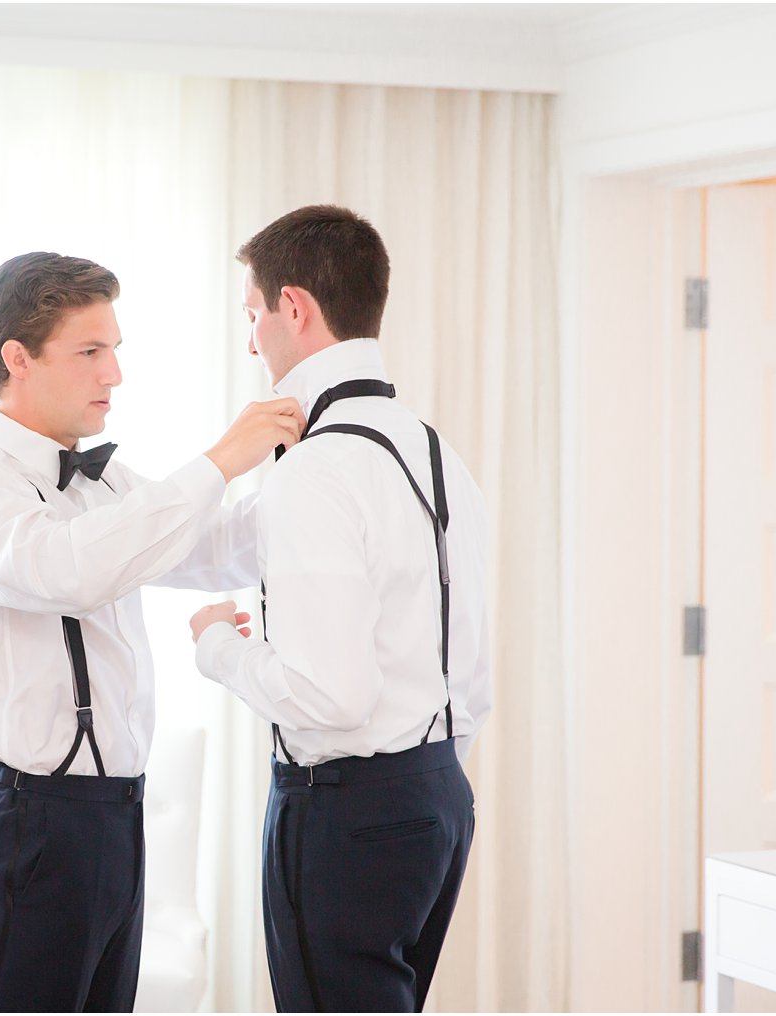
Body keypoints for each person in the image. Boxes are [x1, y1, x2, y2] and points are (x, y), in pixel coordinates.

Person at [0, 251, 303, 1013]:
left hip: (112, 826)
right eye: (90, 352)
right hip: (24, 832)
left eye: (115, 350)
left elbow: (210, 545)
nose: (114, 374)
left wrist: (312, 471)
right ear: (17, 358)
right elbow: (70, 569)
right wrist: (222, 458)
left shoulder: (106, 483)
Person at [189, 205, 493, 1013]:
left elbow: (331, 697)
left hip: (347, 814)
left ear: (294, 308)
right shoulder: (436, 451)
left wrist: (219, 650)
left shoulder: (316, 470)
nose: (249, 340)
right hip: (438, 797)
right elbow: (224, 544)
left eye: (251, 316)